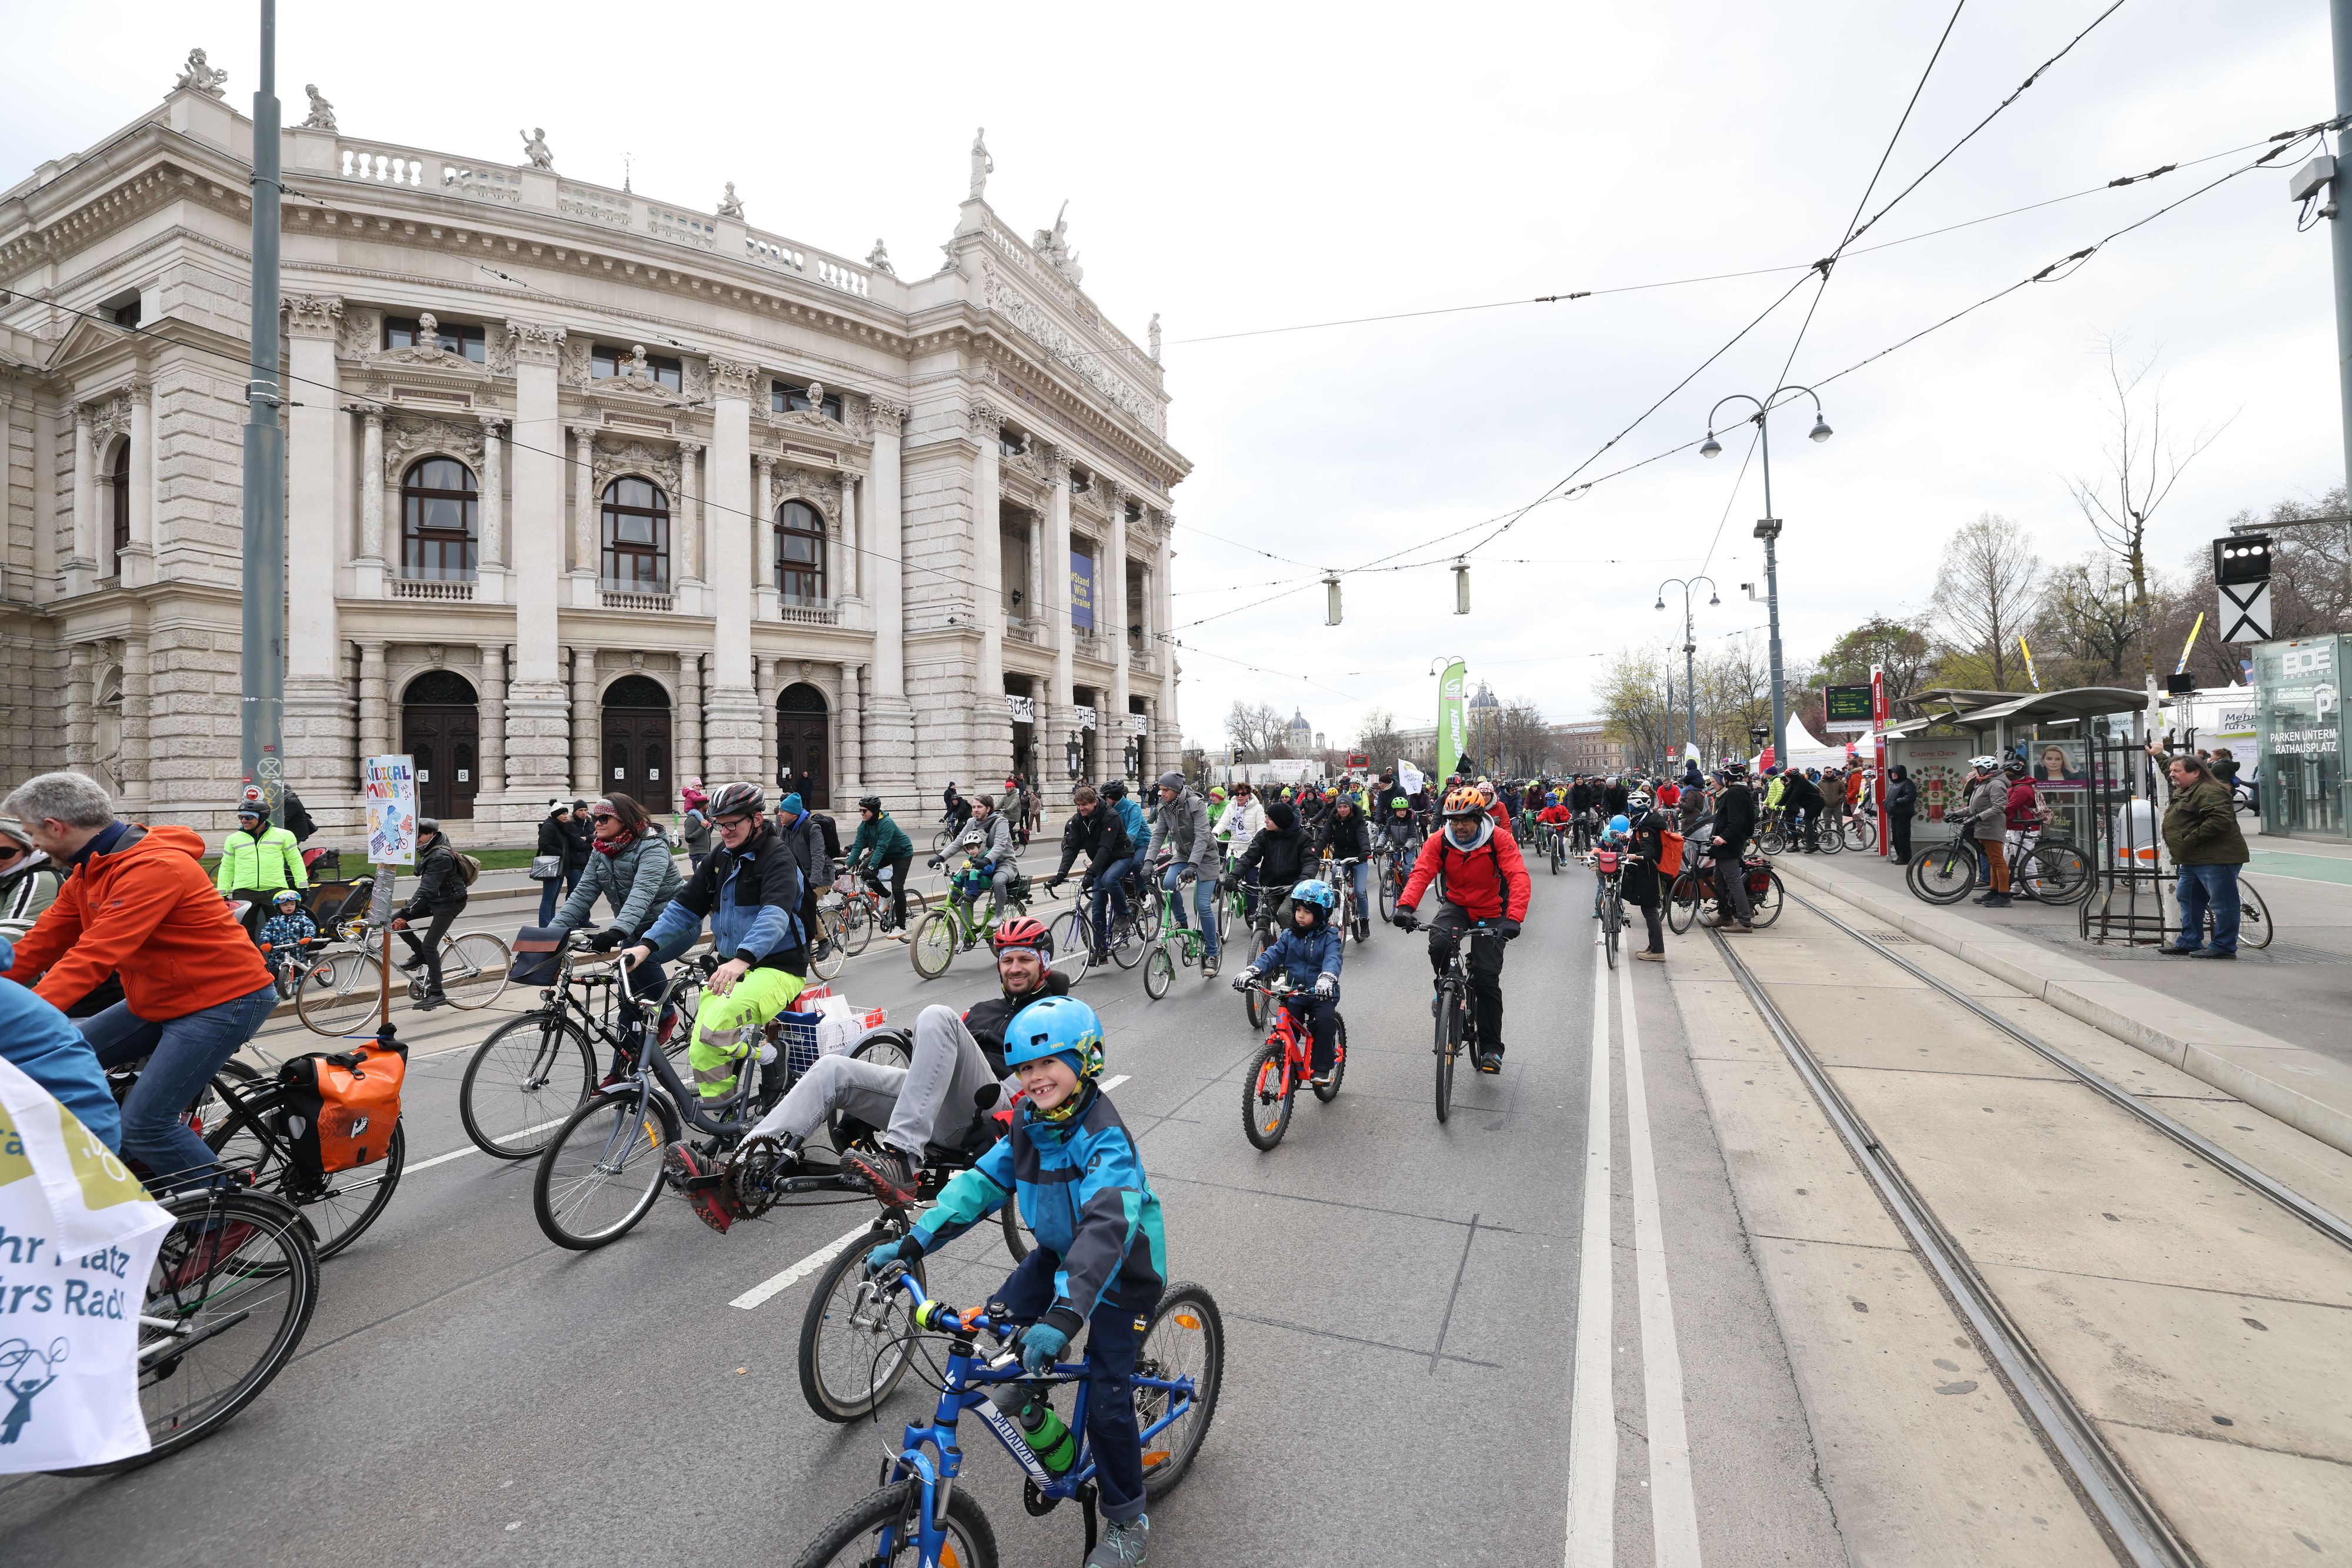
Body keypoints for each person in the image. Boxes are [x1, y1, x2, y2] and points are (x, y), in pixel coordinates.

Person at [861, 995, 1165, 1568]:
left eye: (1049, 1062)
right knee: (1001, 1326)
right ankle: (1035, 1396)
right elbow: (980, 1184)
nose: (1034, 1077)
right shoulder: (1029, 1123)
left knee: (1106, 1402)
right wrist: (913, 1242)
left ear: (1086, 1061)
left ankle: (1128, 1518)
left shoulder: (1104, 1138)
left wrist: (1064, 1315)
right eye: (1025, 1068)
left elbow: (1105, 1230)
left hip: (1123, 1272)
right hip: (1058, 1254)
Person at [1, 771, 275, 1191]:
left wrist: (18, 1022)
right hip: (158, 997)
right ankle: (135, 1168)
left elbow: (92, 956)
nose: (33, 844)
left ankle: (228, 1215)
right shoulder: (89, 869)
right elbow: (38, 946)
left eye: (32, 833)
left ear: (56, 827)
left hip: (223, 1001)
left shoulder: (154, 867)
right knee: (43, 1066)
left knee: (146, 1125)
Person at [743, 916, 1075, 1211]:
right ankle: (746, 1163)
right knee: (834, 1069)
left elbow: (1051, 1087)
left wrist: (1006, 1123)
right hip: (935, 1113)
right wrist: (867, 1106)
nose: (1015, 968)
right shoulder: (981, 1009)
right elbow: (932, 1070)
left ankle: (901, 1158)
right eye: (1008, 960)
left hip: (988, 1114)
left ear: (1044, 963)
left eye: (1025, 960)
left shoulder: (1056, 1017)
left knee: (937, 1015)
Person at [622, 783, 807, 1119]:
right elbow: (684, 908)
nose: (725, 831)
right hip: (730, 969)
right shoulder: (721, 857)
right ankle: (726, 1117)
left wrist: (742, 959)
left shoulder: (778, 857)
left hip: (778, 968)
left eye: (732, 824)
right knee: (702, 1050)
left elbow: (774, 916)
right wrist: (645, 946)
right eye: (720, 825)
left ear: (757, 819)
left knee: (716, 1028)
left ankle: (770, 1055)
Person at [1391, 786, 1531, 1072]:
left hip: (1491, 909)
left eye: (1466, 819)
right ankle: (1444, 989)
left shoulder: (1499, 839)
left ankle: (1491, 1048)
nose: (1459, 826)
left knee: (1487, 979)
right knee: (1439, 943)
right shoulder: (1440, 840)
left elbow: (1518, 876)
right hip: (1456, 904)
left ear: (1479, 818)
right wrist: (1405, 907)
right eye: (1454, 820)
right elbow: (1422, 873)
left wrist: (1514, 918)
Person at [551, 793, 684, 1025]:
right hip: (636, 929)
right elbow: (582, 894)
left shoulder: (652, 847)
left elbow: (642, 892)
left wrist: (617, 931)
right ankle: (628, 1048)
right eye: (595, 818)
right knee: (628, 1004)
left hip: (674, 924)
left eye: (604, 818)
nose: (597, 823)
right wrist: (550, 934)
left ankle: (665, 1015)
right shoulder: (601, 850)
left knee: (641, 960)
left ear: (624, 819)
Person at [0, 934, 119, 1153]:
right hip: (55, 1119)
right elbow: (45, 939)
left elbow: (100, 950)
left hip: (72, 1135)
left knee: (149, 1124)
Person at [1231, 878, 1345, 1085]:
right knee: (1284, 1028)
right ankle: (1287, 1064)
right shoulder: (1289, 936)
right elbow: (1272, 955)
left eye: (1307, 912)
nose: (1300, 915)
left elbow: (1333, 959)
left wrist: (1327, 978)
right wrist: (1252, 971)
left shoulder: (1330, 938)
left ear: (1321, 915)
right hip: (1295, 992)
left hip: (1320, 993)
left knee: (1323, 1022)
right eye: (1298, 910)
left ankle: (1322, 1068)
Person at [2152, 746, 2249, 957]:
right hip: (2194, 858)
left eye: (2177, 771)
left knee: (2223, 905)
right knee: (2188, 898)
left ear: (2196, 772)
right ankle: (2189, 942)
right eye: (2172, 771)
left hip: (2215, 858)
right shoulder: (2188, 787)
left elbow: (2219, 821)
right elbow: (2171, 769)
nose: (2172, 774)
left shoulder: (2209, 791)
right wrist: (2158, 754)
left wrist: (2188, 841)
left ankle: (2223, 947)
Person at [1043, 784, 1133, 961]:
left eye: (1084, 804)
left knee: (1109, 880)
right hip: (1101, 862)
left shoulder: (1110, 816)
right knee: (1098, 905)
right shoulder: (1079, 820)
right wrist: (1061, 875)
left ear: (1094, 803)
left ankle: (1124, 914)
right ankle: (1100, 951)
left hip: (1121, 857)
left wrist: (1090, 874)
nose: (1081, 808)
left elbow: (1105, 848)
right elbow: (1071, 848)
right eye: (1078, 805)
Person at [391, 818, 469, 1009]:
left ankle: (437, 993)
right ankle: (420, 955)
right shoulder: (430, 848)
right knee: (394, 919)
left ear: (431, 834)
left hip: (449, 903)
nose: (415, 840)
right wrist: (404, 914)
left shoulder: (440, 856)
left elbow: (426, 890)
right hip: (436, 899)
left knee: (429, 944)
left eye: (419, 836)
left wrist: (407, 913)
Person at [215, 801, 306, 937]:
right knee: (243, 933)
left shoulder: (284, 835)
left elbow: (295, 861)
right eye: (241, 817)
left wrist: (302, 886)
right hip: (244, 891)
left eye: (249, 817)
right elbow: (227, 866)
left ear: (262, 818)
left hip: (275, 889)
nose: (244, 821)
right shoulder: (233, 839)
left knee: (280, 932)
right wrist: (222, 892)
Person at [773, 793, 836, 961]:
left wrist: (813, 881)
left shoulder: (812, 829)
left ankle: (823, 940)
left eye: (783, 811)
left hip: (821, 878)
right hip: (800, 877)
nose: (780, 814)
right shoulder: (786, 829)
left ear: (793, 814)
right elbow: (780, 854)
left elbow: (818, 857)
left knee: (805, 902)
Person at [847, 794, 918, 940]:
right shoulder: (864, 825)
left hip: (902, 853)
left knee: (897, 886)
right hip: (886, 853)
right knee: (863, 872)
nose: (862, 813)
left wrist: (872, 868)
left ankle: (900, 927)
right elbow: (858, 846)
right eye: (860, 810)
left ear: (873, 811)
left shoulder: (886, 823)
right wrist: (846, 867)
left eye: (864, 811)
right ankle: (886, 896)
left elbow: (881, 848)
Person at [1234, 798, 1309, 934]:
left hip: (1293, 888)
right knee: (1261, 921)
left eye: (1269, 818)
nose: (1265, 821)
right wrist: (1234, 876)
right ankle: (1265, 944)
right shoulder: (1264, 836)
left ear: (1280, 821)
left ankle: (1293, 942)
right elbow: (1250, 857)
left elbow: (1311, 862)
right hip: (1269, 888)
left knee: (1284, 913)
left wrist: (1303, 880)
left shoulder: (1302, 837)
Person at [947, 793, 1021, 922]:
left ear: (988, 809)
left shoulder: (1000, 822)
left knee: (998, 881)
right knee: (966, 898)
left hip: (1004, 864)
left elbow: (1000, 845)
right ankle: (964, 934)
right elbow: (958, 842)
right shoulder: (971, 822)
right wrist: (940, 857)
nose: (975, 810)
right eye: (974, 807)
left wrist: (987, 860)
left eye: (979, 807)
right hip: (980, 865)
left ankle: (998, 915)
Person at [1953, 757, 2012, 908]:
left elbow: (1999, 807)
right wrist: (1957, 814)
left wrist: (1978, 817)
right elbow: (1974, 808)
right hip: (1983, 826)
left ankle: (2004, 896)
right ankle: (1994, 892)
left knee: (1998, 861)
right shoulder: (1984, 783)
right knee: (1992, 861)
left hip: (1991, 827)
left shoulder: (1996, 784)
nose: (1974, 771)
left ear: (1985, 769)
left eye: (1976, 769)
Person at [1621, 791, 1671, 961]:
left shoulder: (1646, 827)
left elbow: (1649, 851)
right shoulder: (1645, 821)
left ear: (1634, 806)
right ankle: (1653, 947)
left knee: (1650, 911)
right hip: (1647, 872)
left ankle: (1658, 950)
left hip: (1648, 874)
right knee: (1649, 910)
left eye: (1630, 805)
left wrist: (1635, 856)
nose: (1628, 808)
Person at [1709, 761, 1757, 933]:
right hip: (1729, 845)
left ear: (1727, 778)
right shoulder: (1743, 791)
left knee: (1734, 882)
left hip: (1729, 846)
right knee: (1719, 878)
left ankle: (1745, 922)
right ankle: (1725, 916)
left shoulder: (1733, 793)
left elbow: (1737, 821)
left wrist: (1724, 837)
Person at [0, 820, 63, 942]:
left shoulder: (37, 881)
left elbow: (13, 938)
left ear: (27, 850)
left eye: (4, 853)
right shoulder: (7, 878)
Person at [1318, 789, 1372, 927]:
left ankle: (1364, 920)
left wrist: (1365, 851)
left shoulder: (1358, 821)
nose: (1342, 810)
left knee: (1360, 891)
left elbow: (1363, 836)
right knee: (1335, 877)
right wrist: (1314, 851)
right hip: (1340, 858)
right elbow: (1324, 837)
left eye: (1345, 807)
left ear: (1351, 807)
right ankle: (1341, 901)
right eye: (1340, 807)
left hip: (1358, 859)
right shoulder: (1333, 821)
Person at [258, 888, 319, 989]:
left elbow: (310, 927)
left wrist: (308, 937)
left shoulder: (302, 919)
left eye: (292, 904)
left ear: (296, 905)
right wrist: (265, 942)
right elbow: (266, 931)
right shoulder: (274, 921)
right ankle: (277, 986)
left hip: (296, 949)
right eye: (285, 905)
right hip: (277, 952)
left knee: (297, 968)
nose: (289, 907)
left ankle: (297, 984)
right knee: (275, 970)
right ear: (279, 907)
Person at [1781, 766, 1825, 852]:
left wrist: (1787, 806)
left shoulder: (1801, 782)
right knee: (1809, 823)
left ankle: (1811, 843)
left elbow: (1795, 795)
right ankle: (1813, 845)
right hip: (1810, 804)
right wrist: (1779, 804)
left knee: (1807, 821)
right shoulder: (1795, 783)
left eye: (1788, 777)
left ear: (1792, 776)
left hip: (1815, 804)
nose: (1787, 778)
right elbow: (1788, 794)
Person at [562, 800, 593, 898]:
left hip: (590, 865)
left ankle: (584, 911)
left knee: (587, 895)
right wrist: (594, 843)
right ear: (575, 812)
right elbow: (578, 844)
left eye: (585, 810)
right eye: (581, 810)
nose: (584, 812)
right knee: (574, 894)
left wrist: (588, 838)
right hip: (575, 866)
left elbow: (600, 838)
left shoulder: (590, 823)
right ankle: (569, 909)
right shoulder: (571, 825)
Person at [1886, 764, 1917, 865]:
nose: (1894, 774)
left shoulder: (1907, 783)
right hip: (1895, 814)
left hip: (1903, 814)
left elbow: (1911, 796)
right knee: (1896, 837)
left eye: (1896, 773)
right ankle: (1900, 856)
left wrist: (1896, 802)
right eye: (1892, 773)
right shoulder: (1894, 784)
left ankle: (1905, 858)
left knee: (1902, 836)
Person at [680, 786, 713, 872]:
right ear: (702, 805)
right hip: (698, 855)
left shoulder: (704, 818)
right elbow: (689, 839)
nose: (709, 805)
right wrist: (702, 827)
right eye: (707, 804)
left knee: (706, 878)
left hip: (706, 853)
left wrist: (713, 823)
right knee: (699, 878)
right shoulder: (692, 819)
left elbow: (707, 832)